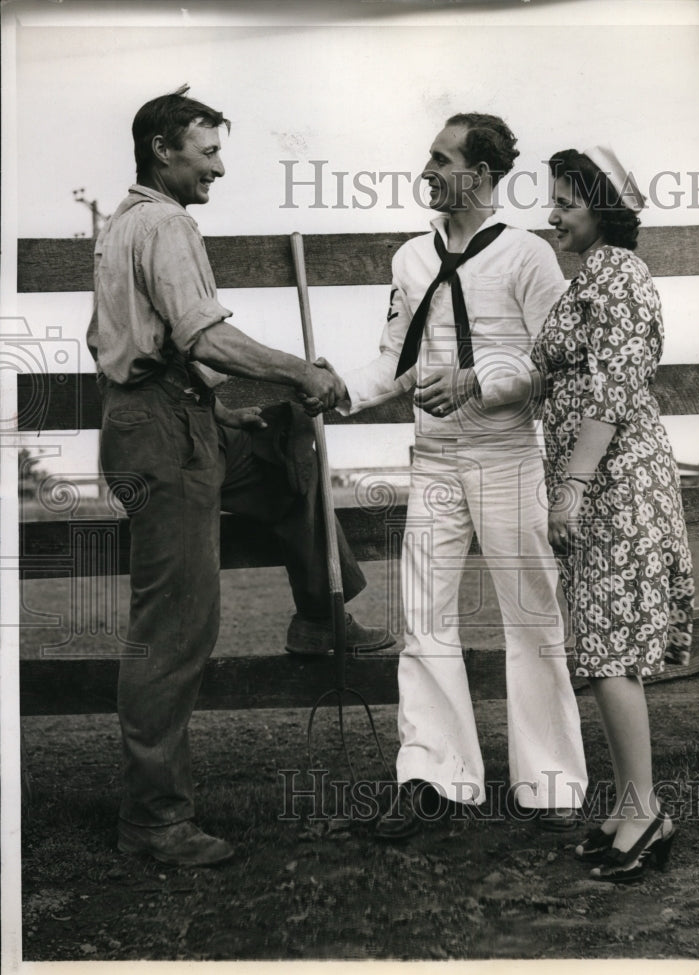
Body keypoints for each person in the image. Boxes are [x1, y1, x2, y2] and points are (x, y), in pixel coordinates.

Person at [87, 86, 393, 867]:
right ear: (163, 150)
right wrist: (301, 372)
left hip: (178, 422)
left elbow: (148, 341)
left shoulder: (124, 223)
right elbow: (201, 334)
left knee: (289, 450)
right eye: (208, 151)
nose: (218, 168)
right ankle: (155, 818)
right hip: (160, 438)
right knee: (174, 630)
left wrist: (226, 414)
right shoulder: (163, 221)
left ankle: (320, 615)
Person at [306, 113, 588, 838]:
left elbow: (548, 363)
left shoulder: (527, 257)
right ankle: (434, 778)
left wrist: (475, 382)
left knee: (531, 614)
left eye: (441, 157)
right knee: (424, 617)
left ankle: (550, 782)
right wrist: (340, 388)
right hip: (432, 461)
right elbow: (395, 358)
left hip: (505, 459)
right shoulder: (410, 258)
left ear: (482, 174)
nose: (427, 167)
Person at [530, 145, 694, 883]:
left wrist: (570, 485)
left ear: (602, 208)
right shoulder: (586, 281)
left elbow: (614, 389)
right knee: (600, 648)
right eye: (552, 199)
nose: (552, 213)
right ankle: (630, 804)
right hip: (597, 481)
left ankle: (645, 813)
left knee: (610, 653)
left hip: (616, 482)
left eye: (565, 200)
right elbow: (545, 375)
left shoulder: (620, 275)